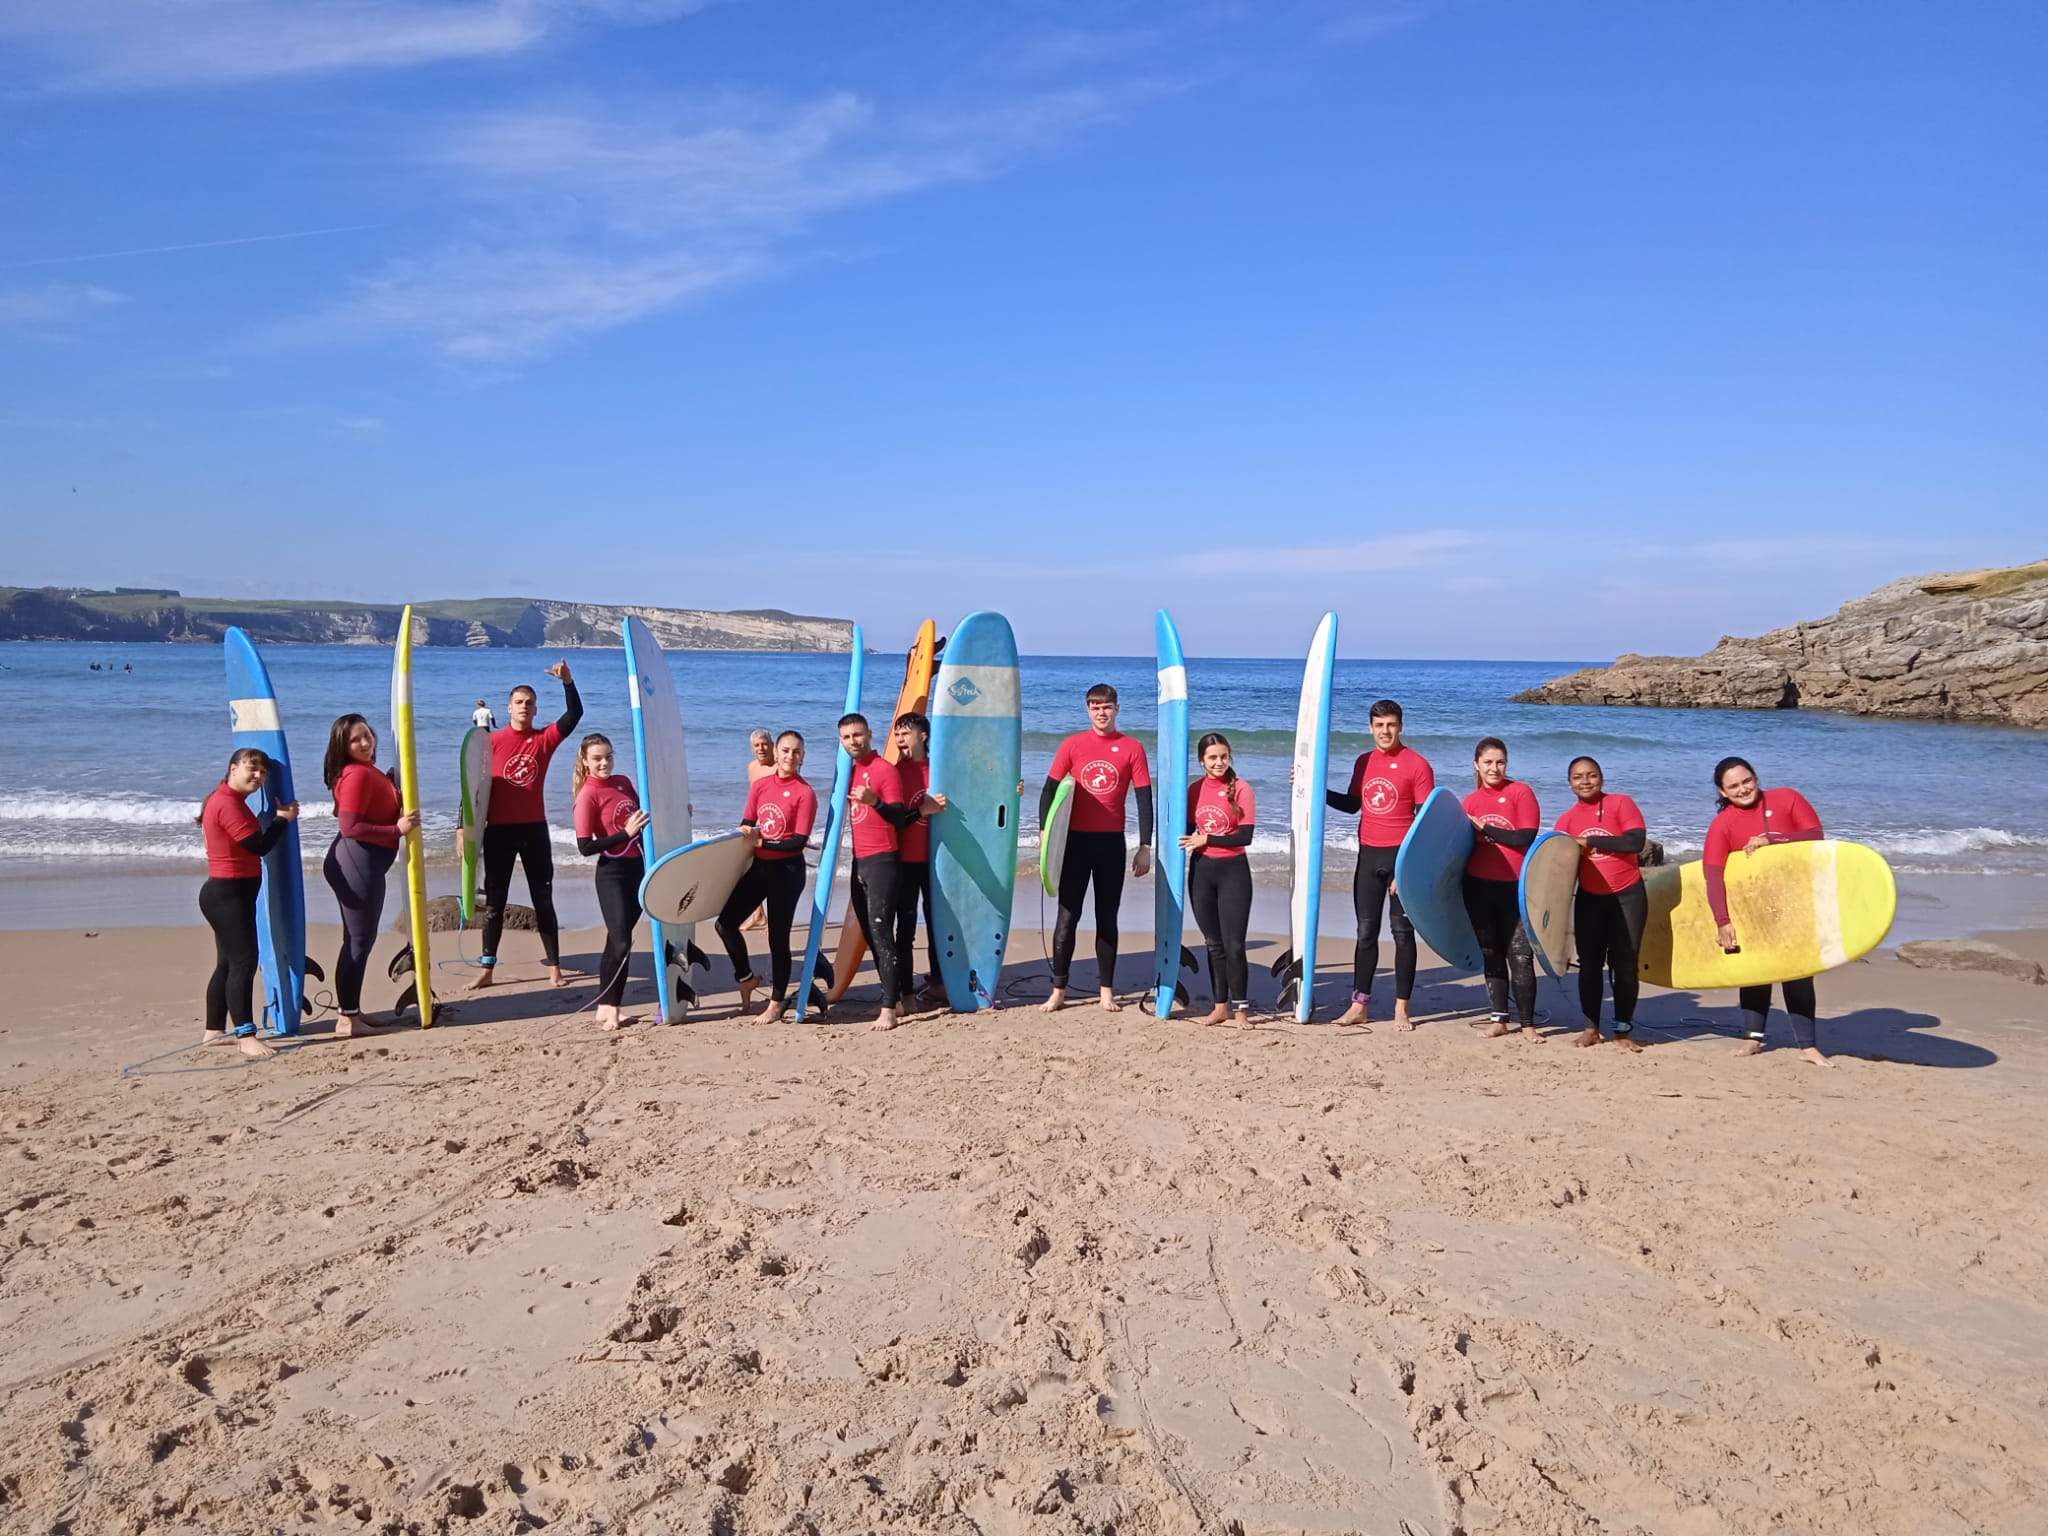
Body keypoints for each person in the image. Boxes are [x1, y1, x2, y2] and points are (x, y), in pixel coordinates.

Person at [1705, 757, 1832, 1067]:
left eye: (1746, 781)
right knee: (1755, 973)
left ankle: (1808, 1045)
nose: (1742, 789)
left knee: (1798, 973)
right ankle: (1753, 1039)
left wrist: (1773, 839)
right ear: (1722, 792)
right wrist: (1723, 921)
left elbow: (1816, 835)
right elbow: (1713, 875)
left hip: (1796, 902)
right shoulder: (1723, 824)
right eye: (1733, 786)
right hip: (1752, 908)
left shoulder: (1787, 798)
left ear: (1756, 777)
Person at [1039, 684, 1153, 1012]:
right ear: (1087, 710)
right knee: (1067, 918)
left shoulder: (1132, 748)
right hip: (1074, 842)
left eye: (1107, 707)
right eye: (1095, 707)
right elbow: (1048, 791)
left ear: (1117, 709)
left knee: (1107, 918)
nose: (1101, 712)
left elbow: (1144, 798)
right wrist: (1046, 832)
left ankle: (1106, 991)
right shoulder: (1072, 745)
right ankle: (1058, 990)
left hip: (1110, 844)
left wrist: (1144, 845)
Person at [470, 661, 582, 992]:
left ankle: (555, 969)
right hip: (498, 832)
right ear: (508, 708)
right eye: (518, 702)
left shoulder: (544, 739)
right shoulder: (489, 742)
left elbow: (574, 715)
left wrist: (568, 682)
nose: (524, 707)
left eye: (529, 703)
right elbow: (471, 788)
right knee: (494, 902)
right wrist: (465, 827)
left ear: (535, 710)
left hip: (534, 829)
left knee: (543, 899)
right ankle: (487, 969)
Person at [1326, 699, 1432, 1029]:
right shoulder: (1363, 762)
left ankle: (1402, 1008)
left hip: (1400, 858)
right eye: (1379, 725)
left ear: (1400, 726)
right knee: (1365, 933)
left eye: (1391, 724)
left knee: (1402, 933)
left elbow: (1425, 821)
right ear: (1370, 727)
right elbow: (1352, 804)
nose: (1385, 731)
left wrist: (1408, 868)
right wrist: (1314, 789)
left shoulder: (1417, 764)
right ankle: (1360, 1005)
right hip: (1368, 856)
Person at [321, 714, 420, 1038]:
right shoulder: (355, 776)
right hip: (355, 863)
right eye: (355, 740)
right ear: (343, 746)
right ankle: (347, 1020)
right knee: (359, 942)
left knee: (359, 940)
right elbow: (349, 827)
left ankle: (352, 1011)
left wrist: (392, 783)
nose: (365, 743)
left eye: (367, 735)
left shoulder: (365, 772)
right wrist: (397, 829)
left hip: (360, 863)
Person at [196, 748, 299, 1059]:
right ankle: (246, 1036)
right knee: (243, 963)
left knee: (227, 964)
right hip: (227, 895)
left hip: (227, 894)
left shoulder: (227, 799)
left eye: (263, 772)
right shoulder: (227, 803)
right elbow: (258, 846)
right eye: (251, 768)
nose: (258, 775)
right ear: (233, 768)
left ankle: (214, 1032)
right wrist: (282, 820)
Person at [715, 730, 817, 1023]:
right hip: (760, 868)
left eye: (796, 752)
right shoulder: (760, 786)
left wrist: (763, 842)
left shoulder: (805, 793)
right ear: (777, 753)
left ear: (803, 758)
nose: (790, 756)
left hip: (787, 871)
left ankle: (776, 1001)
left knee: (778, 939)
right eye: (786, 750)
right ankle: (746, 976)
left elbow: (798, 841)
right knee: (725, 923)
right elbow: (747, 824)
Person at [1553, 756, 1649, 1050]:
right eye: (1578, 777)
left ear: (1601, 777)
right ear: (1569, 783)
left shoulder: (1621, 804)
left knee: (1625, 965)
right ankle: (1591, 1028)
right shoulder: (1566, 821)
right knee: (1589, 966)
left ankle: (1622, 1031)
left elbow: (1635, 842)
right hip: (1590, 900)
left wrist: (1591, 842)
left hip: (1627, 896)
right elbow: (1556, 869)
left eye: (1591, 775)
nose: (1585, 781)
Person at [841, 713, 918, 1031]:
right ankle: (896, 996)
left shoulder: (884, 770)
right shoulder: (848, 770)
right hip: (859, 860)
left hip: (884, 861)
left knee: (883, 934)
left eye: (857, 735)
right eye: (846, 737)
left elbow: (899, 819)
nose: (852, 742)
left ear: (869, 734)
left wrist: (874, 801)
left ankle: (889, 1008)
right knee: (872, 935)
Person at [1460, 738, 1539, 1039]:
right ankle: (1499, 1019)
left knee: (1520, 956)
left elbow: (1525, 837)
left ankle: (1529, 1025)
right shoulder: (1469, 803)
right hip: (1478, 887)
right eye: (1488, 762)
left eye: (1500, 762)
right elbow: (1455, 850)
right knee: (1490, 953)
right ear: (1476, 765)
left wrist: (1485, 828)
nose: (1495, 768)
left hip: (1515, 887)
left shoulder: (1520, 792)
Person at [572, 733, 651, 1031]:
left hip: (638, 869)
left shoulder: (623, 782)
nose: (604, 762)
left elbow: (642, 818)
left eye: (608, 756)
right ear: (585, 761)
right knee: (621, 942)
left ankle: (604, 1008)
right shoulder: (587, 795)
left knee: (616, 940)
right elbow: (585, 847)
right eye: (597, 758)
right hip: (612, 873)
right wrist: (625, 834)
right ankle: (615, 1009)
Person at [1180, 732, 1255, 1028]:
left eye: (1223, 756)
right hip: (1202, 871)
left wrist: (1207, 837)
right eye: (1212, 757)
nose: (1219, 762)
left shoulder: (1242, 789)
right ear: (1202, 761)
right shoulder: (1194, 791)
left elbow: (1245, 836)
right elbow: (1186, 831)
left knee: (1234, 945)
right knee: (1213, 944)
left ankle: (1241, 1012)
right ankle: (1220, 1006)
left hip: (1233, 871)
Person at [891, 710, 948, 1006]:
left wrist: (1012, 788)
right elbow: (894, 819)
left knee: (939, 924)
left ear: (923, 736)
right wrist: (921, 811)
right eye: (897, 734)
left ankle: (939, 982)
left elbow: (975, 790)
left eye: (906, 733)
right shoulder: (895, 773)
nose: (900, 738)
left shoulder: (939, 769)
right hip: (905, 862)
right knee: (906, 929)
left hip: (938, 863)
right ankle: (907, 991)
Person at [741, 729, 775, 928]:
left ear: (772, 746)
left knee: (771, 874)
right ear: (751, 748)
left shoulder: (780, 766)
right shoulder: (752, 767)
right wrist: (745, 825)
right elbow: (752, 799)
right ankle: (758, 914)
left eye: (764, 744)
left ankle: (774, 918)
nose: (761, 749)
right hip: (757, 823)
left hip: (776, 826)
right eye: (756, 745)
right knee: (747, 868)